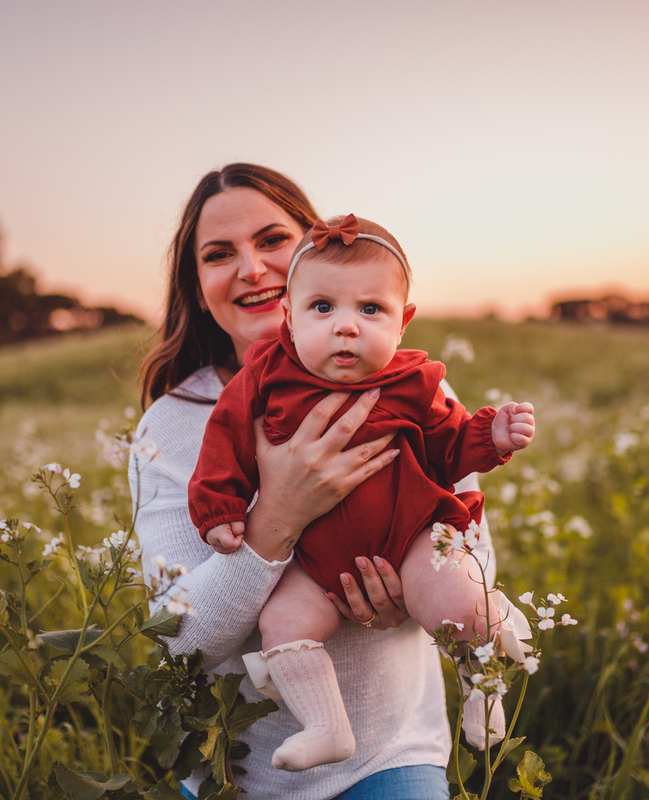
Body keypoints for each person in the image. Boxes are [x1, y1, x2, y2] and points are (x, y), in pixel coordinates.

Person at [132, 164, 496, 800]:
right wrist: (277, 515)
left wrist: (402, 602)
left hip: (392, 755)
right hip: (236, 774)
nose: (251, 269)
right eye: (220, 254)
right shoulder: (173, 425)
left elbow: (474, 559)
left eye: (272, 240)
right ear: (198, 285)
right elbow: (179, 640)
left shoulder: (411, 385)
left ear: (316, 248)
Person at [188, 213, 535, 772]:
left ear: (403, 323)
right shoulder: (262, 378)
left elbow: (450, 450)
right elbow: (223, 444)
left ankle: (481, 684)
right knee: (283, 624)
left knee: (453, 596)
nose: (345, 327)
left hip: (409, 537)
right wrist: (220, 509)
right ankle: (326, 726)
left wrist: (488, 436)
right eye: (322, 308)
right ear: (290, 318)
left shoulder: (413, 382)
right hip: (310, 557)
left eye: (370, 309)